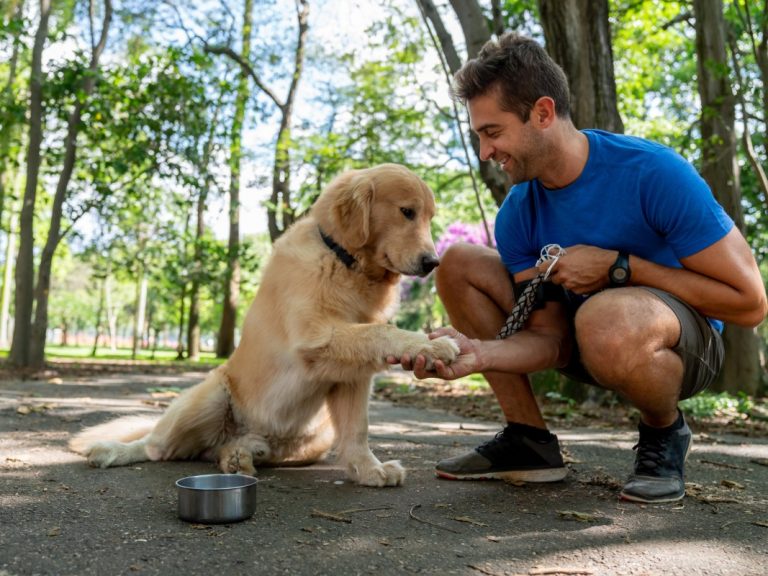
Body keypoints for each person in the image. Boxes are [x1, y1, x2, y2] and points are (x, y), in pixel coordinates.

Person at [389, 32, 767, 503]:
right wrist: (479, 354)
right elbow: (552, 340)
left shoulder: (653, 173)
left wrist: (622, 268)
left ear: (543, 114)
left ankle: (664, 432)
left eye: (493, 132)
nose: (486, 152)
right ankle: (529, 440)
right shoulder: (518, 212)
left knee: (606, 317)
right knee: (459, 263)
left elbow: (750, 304)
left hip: (682, 346)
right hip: (584, 338)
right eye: (479, 136)